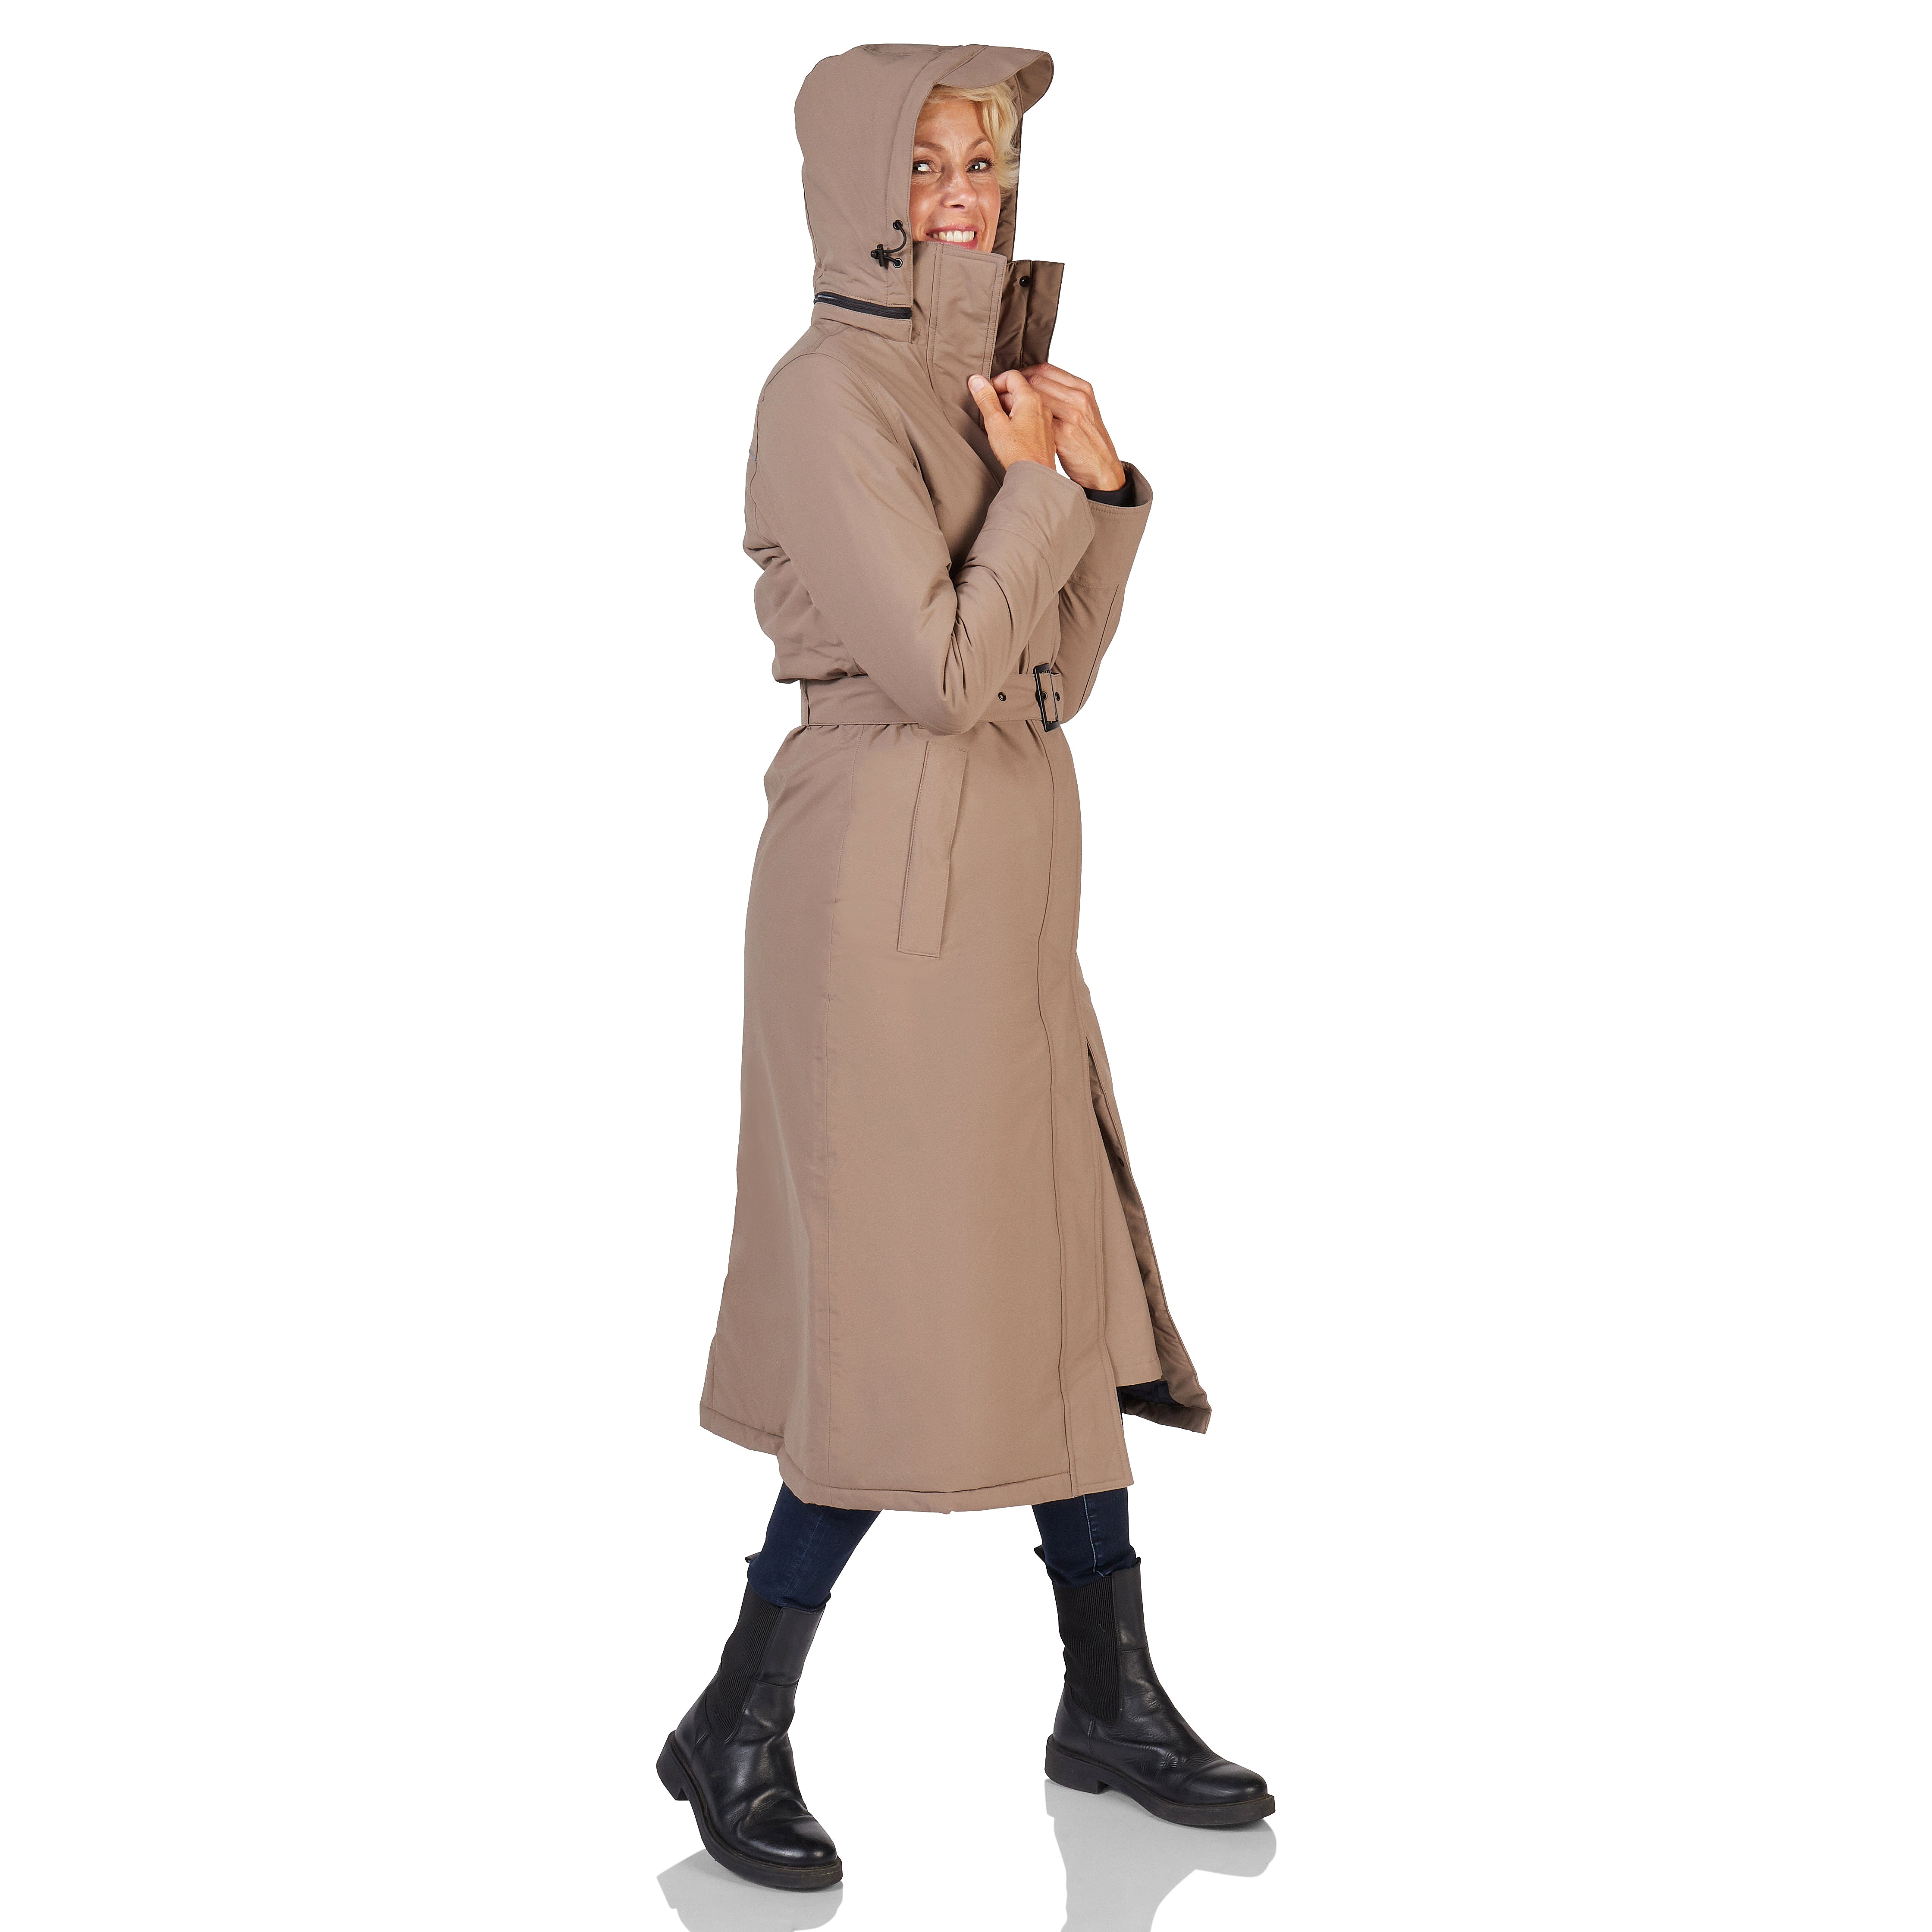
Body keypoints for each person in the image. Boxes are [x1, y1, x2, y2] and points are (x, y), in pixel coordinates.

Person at [657, 44, 1272, 1893]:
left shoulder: (985, 384)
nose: (959, 199)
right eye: (925, 165)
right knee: (898, 1314)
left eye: (985, 166)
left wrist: (1099, 482)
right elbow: (937, 673)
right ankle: (738, 1715)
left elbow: (1050, 675)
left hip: (1004, 895)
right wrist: (1029, 491)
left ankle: (1110, 1695)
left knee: (1052, 1283)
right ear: (861, 184)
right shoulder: (819, 394)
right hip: (879, 905)